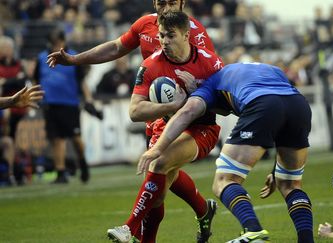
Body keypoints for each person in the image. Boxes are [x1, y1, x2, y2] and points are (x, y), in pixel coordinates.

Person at [46, 1, 218, 241]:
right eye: (161, 2)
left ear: (182, 3)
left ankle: (131, 228)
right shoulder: (145, 27)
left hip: (192, 116)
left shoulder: (196, 34)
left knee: (160, 168)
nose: (166, 7)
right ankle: (203, 209)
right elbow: (116, 47)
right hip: (159, 113)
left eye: (171, 2)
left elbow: (213, 77)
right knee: (160, 183)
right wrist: (76, 60)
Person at [140, 62, 314, 243]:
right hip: (298, 105)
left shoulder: (210, 84)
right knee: (290, 184)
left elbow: (187, 112)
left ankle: (253, 231)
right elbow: (282, 109)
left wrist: (157, 149)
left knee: (225, 180)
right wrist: (275, 171)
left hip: (261, 104)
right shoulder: (268, 69)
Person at [107, 11, 223, 243]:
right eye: (161, 36)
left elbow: (226, 108)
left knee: (159, 162)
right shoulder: (150, 65)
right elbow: (134, 112)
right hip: (167, 125)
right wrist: (172, 105)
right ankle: (203, 209)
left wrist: (198, 93)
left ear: (186, 35)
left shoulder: (210, 63)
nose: (165, 41)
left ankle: (129, 227)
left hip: (201, 129)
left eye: (171, 36)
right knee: (157, 195)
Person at [33, 29, 97, 184]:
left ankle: (83, 163)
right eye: (53, 43)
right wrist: (36, 98)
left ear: (63, 41)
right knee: (57, 139)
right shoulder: (41, 58)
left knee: (75, 138)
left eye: (58, 43)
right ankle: (60, 172)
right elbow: (36, 80)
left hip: (70, 103)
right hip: (50, 103)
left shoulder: (74, 57)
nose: (56, 46)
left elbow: (82, 81)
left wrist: (88, 99)